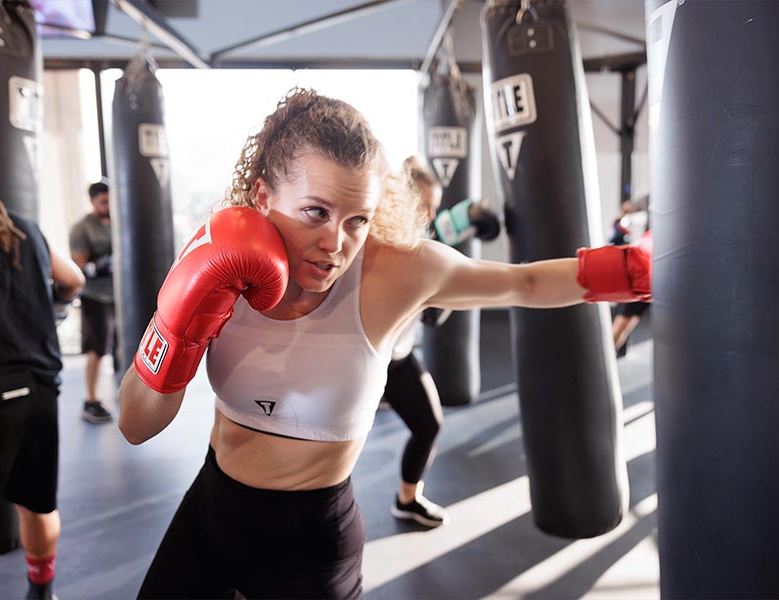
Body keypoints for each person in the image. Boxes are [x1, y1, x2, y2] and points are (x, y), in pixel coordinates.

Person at [117, 87, 651, 599]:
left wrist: (637, 269)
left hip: (310, 542)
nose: (336, 244)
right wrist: (177, 329)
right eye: (315, 212)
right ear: (263, 194)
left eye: (358, 220)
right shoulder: (218, 264)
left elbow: (523, 281)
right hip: (211, 512)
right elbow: (136, 425)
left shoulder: (396, 274)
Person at [0, 161, 85, 600]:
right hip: (41, 390)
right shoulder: (24, 229)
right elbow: (73, 280)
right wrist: (53, 308)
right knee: (39, 503)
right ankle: (42, 593)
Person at [385, 156, 501, 528]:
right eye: (424, 206)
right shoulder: (382, 244)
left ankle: (408, 499)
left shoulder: (426, 239)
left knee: (429, 424)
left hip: (398, 356)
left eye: (433, 208)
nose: (429, 215)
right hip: (368, 359)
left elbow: (434, 311)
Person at [69, 179, 115, 423]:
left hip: (121, 296)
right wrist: (100, 266)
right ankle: (90, 399)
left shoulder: (120, 221)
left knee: (127, 345)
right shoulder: (83, 228)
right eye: (103, 201)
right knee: (97, 349)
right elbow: (77, 268)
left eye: (111, 200)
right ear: (93, 201)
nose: (108, 205)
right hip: (96, 297)